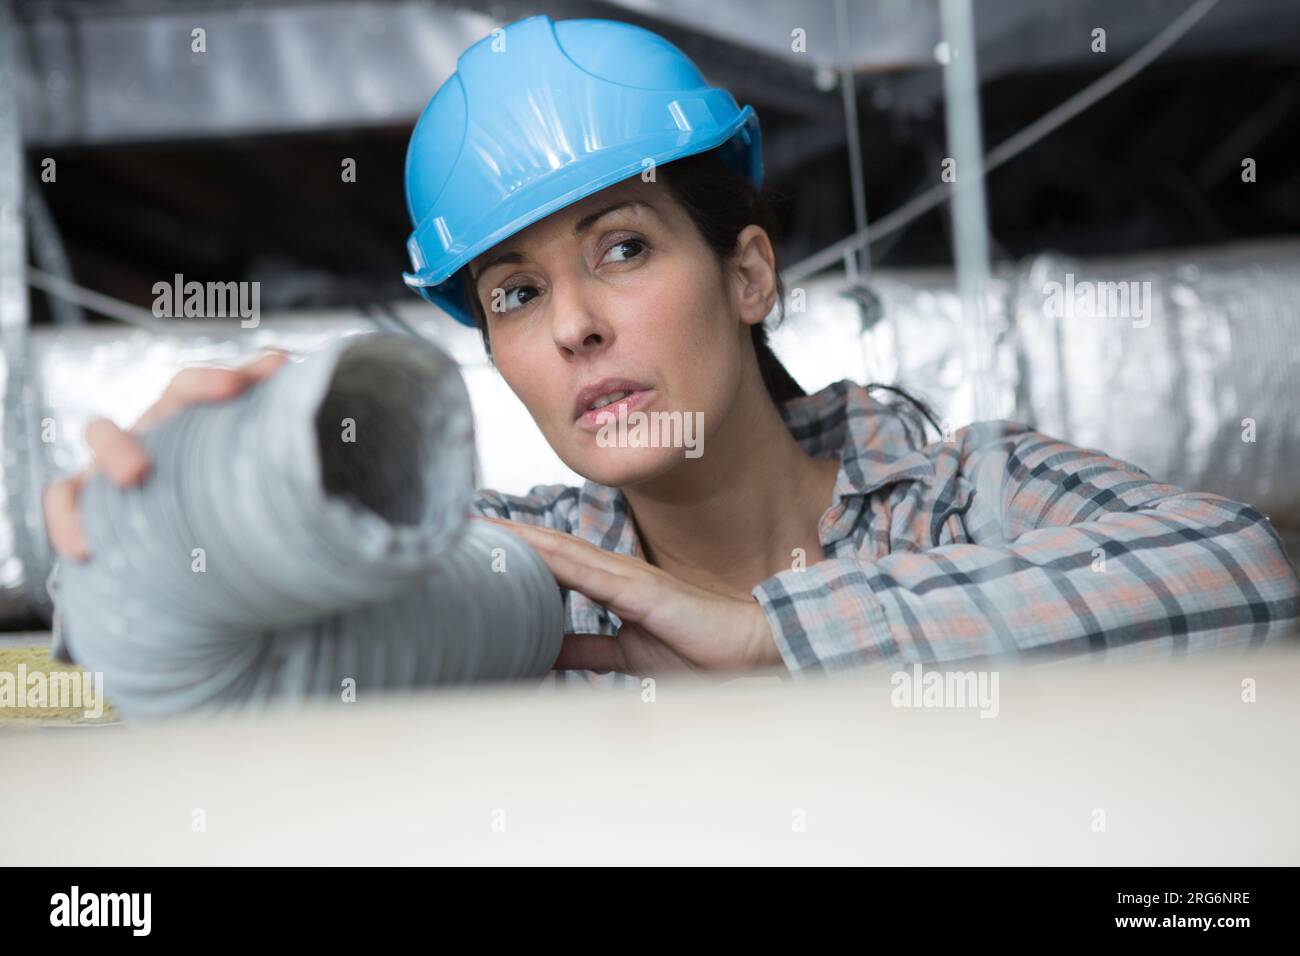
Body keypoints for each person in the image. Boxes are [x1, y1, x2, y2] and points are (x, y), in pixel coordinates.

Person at [41, 15, 1300, 690]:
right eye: (517, 291)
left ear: (748, 271)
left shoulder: (965, 497)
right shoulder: (519, 577)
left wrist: (780, 633)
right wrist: (164, 527)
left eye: (624, 248)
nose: (575, 322)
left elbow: (1242, 574)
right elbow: (194, 661)